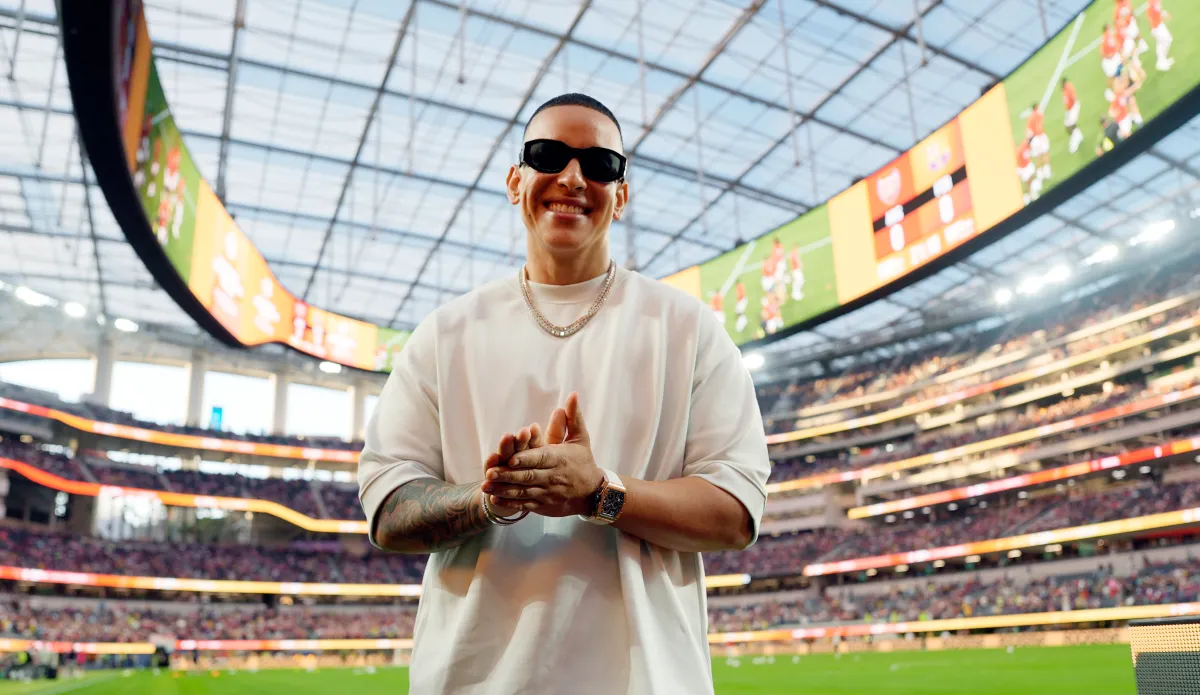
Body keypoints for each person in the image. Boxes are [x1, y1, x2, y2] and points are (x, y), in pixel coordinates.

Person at [358, 93, 770, 695]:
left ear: (621, 196)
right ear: (515, 181)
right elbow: (387, 509)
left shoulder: (688, 330)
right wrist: (492, 499)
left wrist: (600, 493)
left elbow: (736, 513)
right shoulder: (444, 336)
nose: (573, 177)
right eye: (548, 155)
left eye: (600, 164)